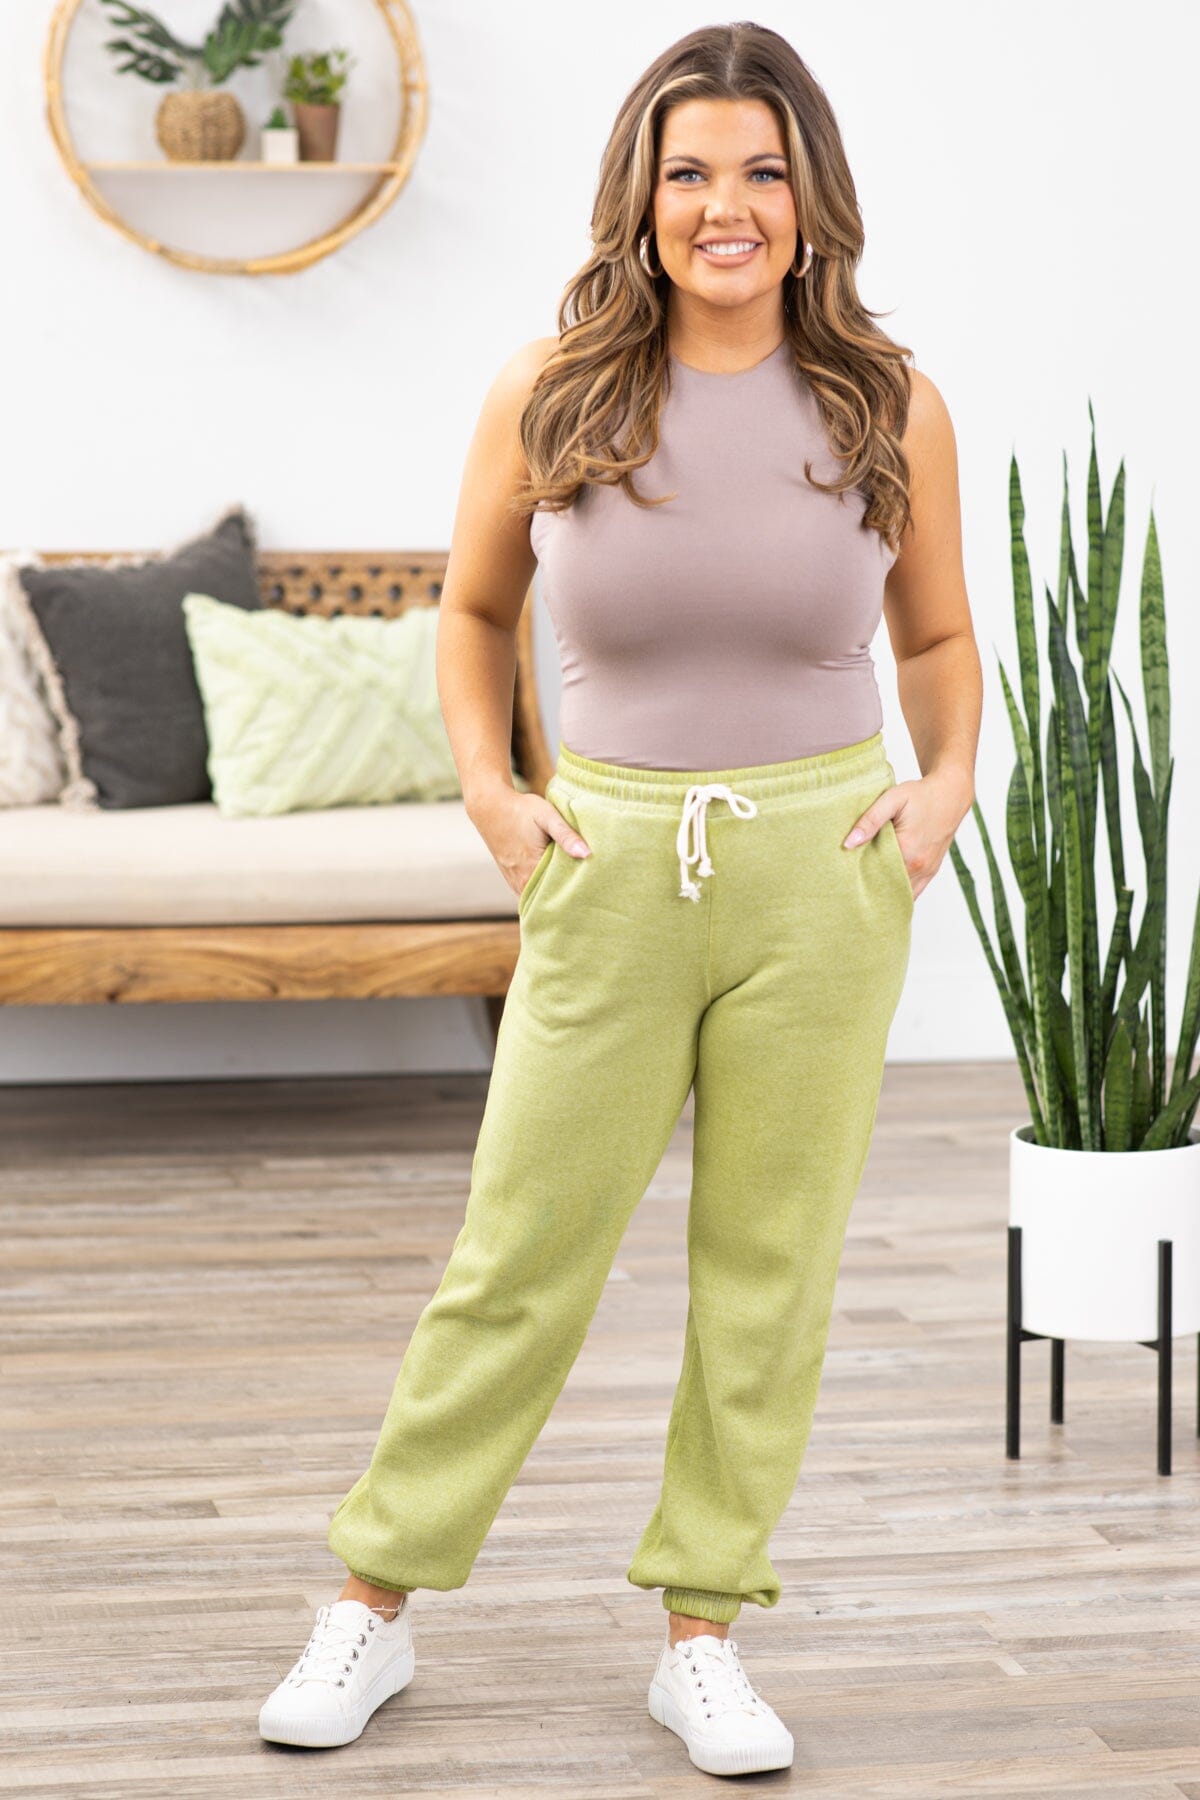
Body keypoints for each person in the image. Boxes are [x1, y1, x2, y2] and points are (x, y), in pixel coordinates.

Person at [258, 19, 981, 1779]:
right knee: (519, 1254)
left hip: (822, 875)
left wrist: (944, 786)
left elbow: (941, 635)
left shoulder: (891, 401)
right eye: (690, 173)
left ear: (810, 197)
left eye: (761, 171)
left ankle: (703, 1633)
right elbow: (471, 611)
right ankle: (373, 1599)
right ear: (641, 199)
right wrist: (491, 790)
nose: (727, 206)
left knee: (769, 1268)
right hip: (610, 867)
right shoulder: (556, 389)